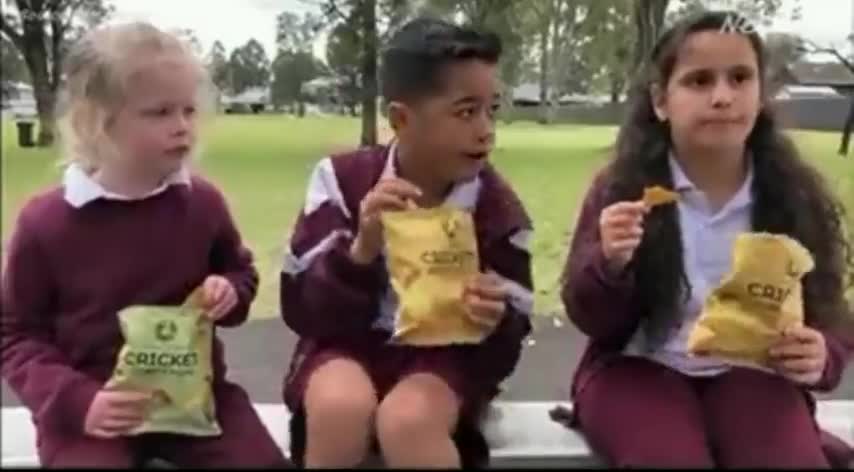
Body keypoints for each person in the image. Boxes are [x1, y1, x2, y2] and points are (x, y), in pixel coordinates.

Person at [559, 10, 854, 468]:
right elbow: (591, 316)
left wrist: (822, 352)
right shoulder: (623, 190)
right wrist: (609, 264)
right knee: (669, 458)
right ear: (660, 101)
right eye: (699, 81)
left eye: (740, 78)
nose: (722, 97)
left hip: (753, 373)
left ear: (761, 95)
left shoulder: (792, 194)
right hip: (636, 369)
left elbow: (829, 307)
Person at [1, 22, 287, 468]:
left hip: (197, 400)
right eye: (159, 113)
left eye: (189, 111)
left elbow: (240, 274)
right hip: (94, 413)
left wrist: (229, 291)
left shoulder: (202, 204)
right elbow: (15, 336)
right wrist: (78, 401)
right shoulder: (46, 223)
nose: (181, 128)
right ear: (96, 121)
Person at [279, 18, 534, 468]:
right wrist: (360, 252)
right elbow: (301, 308)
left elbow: (512, 332)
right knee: (339, 408)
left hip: (446, 356)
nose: (486, 130)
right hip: (345, 344)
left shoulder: (495, 207)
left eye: (492, 109)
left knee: (408, 422)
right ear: (401, 119)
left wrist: (495, 317)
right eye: (465, 111)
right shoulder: (340, 182)